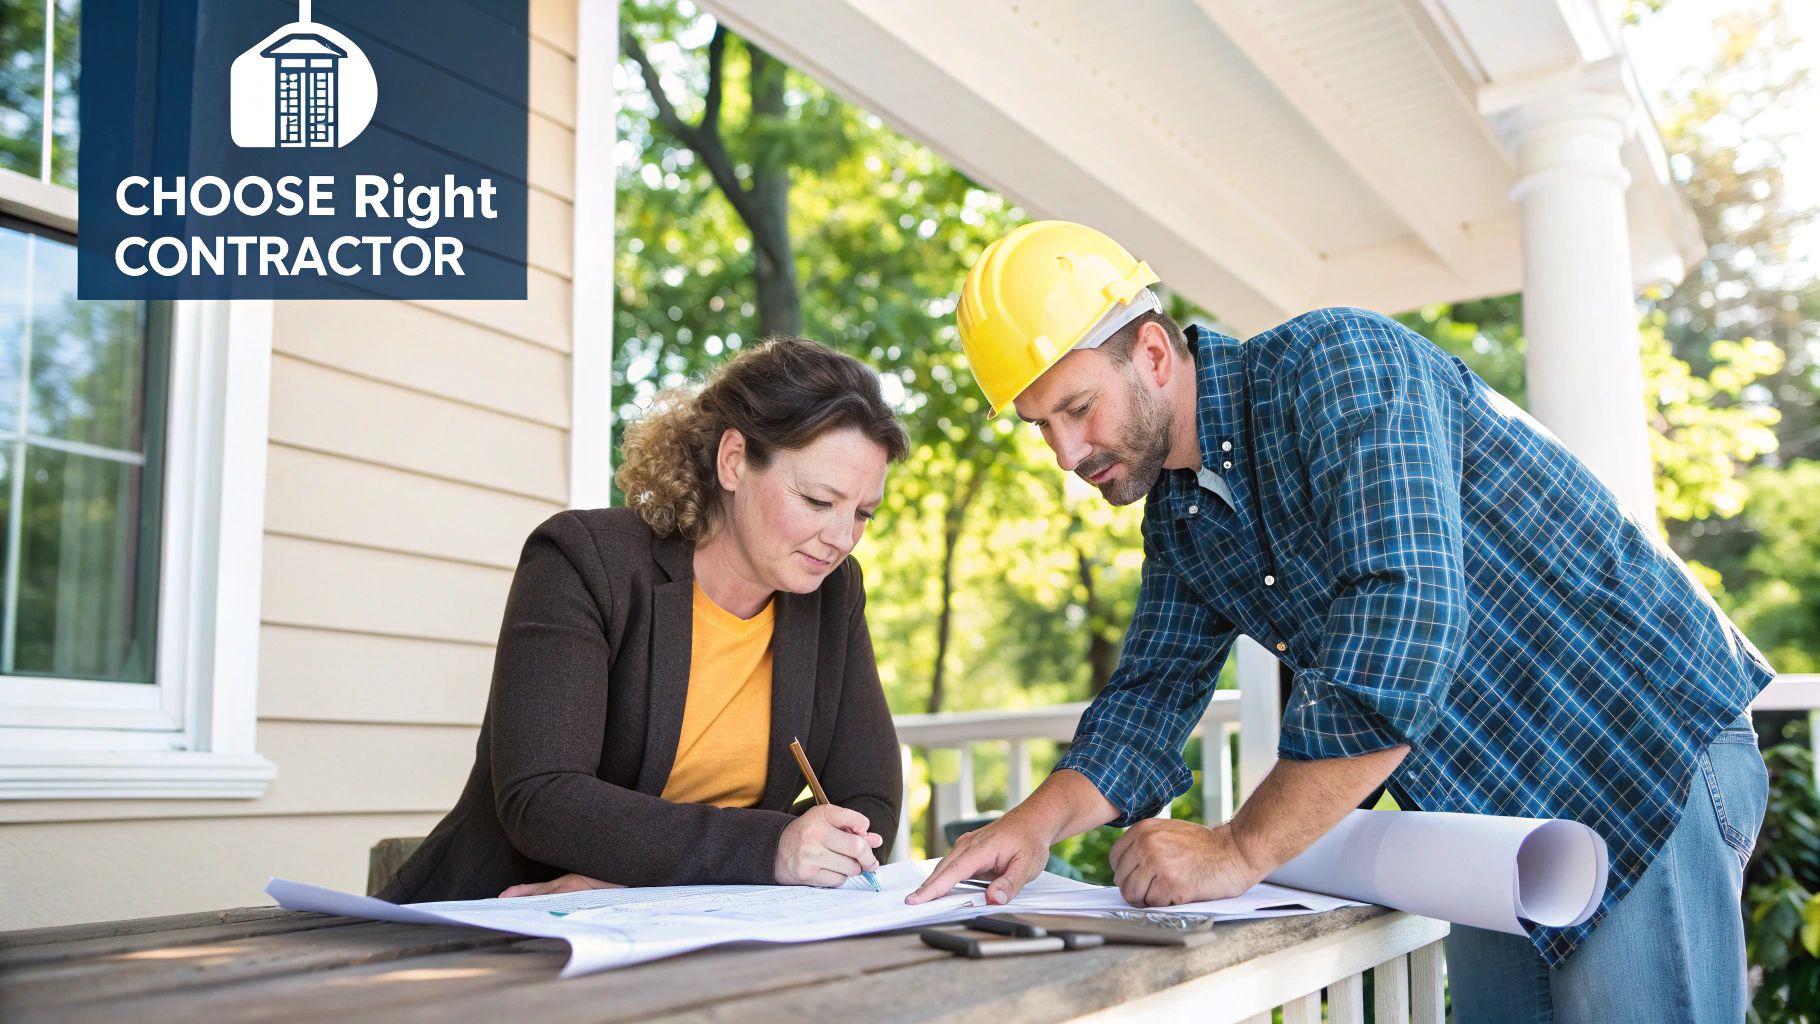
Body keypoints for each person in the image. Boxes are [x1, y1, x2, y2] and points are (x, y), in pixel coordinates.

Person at [907, 220, 1774, 1023]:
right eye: (1040, 427)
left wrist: (1240, 848)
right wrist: (1028, 824)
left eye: (1076, 407)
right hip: (1500, 828)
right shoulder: (1180, 519)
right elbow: (1146, 702)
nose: (1066, 454)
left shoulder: (1338, 364)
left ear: (1153, 352)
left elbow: (1404, 625)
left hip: (1634, 755)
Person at [378, 337, 908, 903]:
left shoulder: (833, 593)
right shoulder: (584, 560)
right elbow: (543, 797)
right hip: (498, 926)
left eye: (863, 513)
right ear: (733, 461)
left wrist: (649, 881)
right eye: (819, 501)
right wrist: (768, 848)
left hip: (686, 933)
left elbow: (867, 800)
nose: (841, 538)